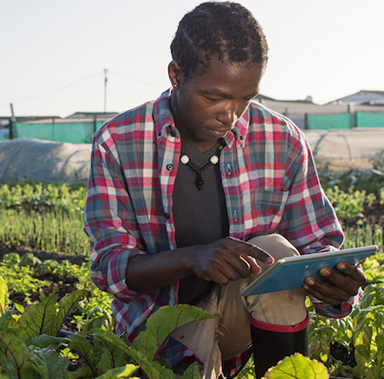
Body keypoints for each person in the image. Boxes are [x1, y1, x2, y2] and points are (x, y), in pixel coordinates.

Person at [83, 2, 366, 377]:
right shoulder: (118, 141)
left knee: (276, 253)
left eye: (244, 99)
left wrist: (337, 284)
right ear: (176, 75)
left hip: (236, 323)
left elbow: (318, 243)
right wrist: (192, 257)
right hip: (156, 330)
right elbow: (110, 268)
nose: (229, 114)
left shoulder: (282, 140)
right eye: (214, 97)